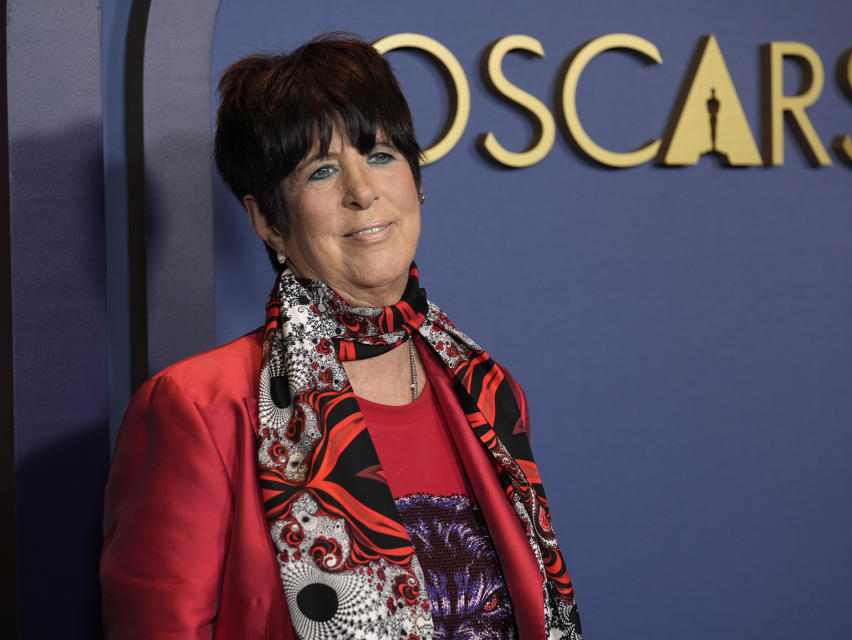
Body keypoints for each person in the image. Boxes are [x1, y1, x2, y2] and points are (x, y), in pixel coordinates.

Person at [100, 34, 582, 640]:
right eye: (321, 171)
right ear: (268, 220)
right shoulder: (198, 408)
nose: (362, 191)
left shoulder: (487, 391)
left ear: (416, 180)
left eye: (379, 155)